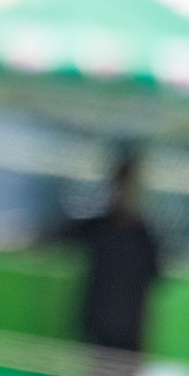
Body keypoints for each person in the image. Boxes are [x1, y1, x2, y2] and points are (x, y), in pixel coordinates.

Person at [59, 145, 161, 354]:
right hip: (97, 330)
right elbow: (55, 236)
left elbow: (154, 284)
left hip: (128, 336)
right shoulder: (99, 227)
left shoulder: (145, 238)